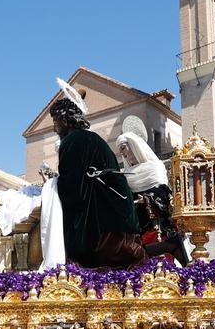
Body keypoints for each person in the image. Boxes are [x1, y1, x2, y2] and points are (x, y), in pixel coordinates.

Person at [48, 96, 144, 267]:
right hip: (121, 215)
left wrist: (52, 189)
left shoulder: (72, 141)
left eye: (55, 121)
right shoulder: (94, 138)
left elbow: (73, 189)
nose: (55, 128)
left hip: (103, 226)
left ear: (64, 119)